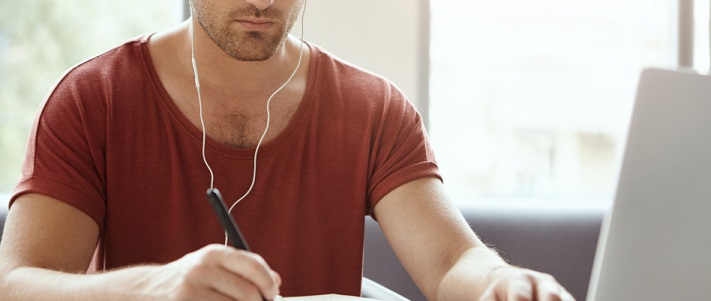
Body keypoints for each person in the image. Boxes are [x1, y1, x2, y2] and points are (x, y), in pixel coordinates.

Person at [0, 0, 575, 300]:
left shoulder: (372, 109)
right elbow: (17, 284)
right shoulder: (94, 98)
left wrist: (503, 285)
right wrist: (152, 289)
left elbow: (451, 263)